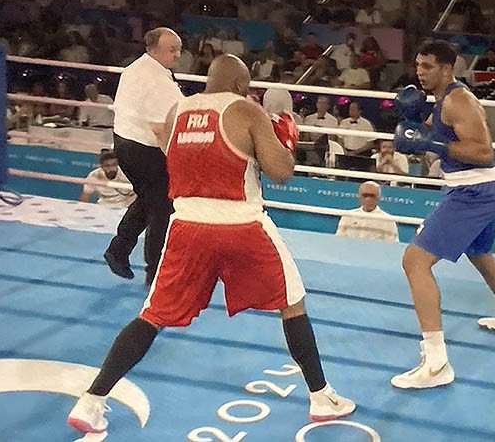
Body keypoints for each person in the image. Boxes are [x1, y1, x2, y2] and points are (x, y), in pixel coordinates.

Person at [67, 54, 355, 434]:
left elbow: (179, 158)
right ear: (240, 85)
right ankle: (321, 396)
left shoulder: (178, 111)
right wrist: (286, 137)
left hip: (186, 226)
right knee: (291, 304)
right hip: (241, 224)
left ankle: (91, 401)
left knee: (152, 315)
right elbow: (281, 172)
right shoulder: (246, 110)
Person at [391, 40, 495, 389]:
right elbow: (435, 134)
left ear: (446, 68)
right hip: (474, 189)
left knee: (415, 261)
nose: (419, 72)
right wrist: (412, 124)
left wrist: (430, 144)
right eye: (418, 65)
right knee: (481, 255)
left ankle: (437, 363)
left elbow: (484, 152)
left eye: (427, 66)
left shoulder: (458, 100)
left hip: (474, 191)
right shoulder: (441, 101)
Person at [104, 27, 184, 285]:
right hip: (144, 148)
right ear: (153, 49)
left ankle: (119, 249)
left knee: (150, 200)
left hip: (125, 143)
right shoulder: (156, 80)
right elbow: (161, 129)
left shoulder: (136, 68)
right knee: (161, 207)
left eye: (178, 49)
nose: (178, 55)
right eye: (172, 50)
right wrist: (177, 161)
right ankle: (155, 272)